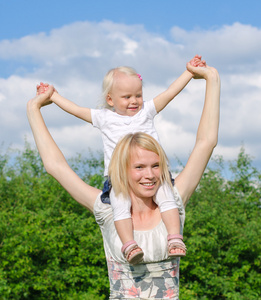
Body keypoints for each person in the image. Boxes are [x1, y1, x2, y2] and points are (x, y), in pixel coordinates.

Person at [28, 61, 220, 299]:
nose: (149, 175)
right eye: (138, 167)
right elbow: (55, 166)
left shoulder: (174, 198)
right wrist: (34, 108)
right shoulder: (106, 208)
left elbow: (206, 142)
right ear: (121, 169)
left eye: (155, 165)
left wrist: (211, 78)